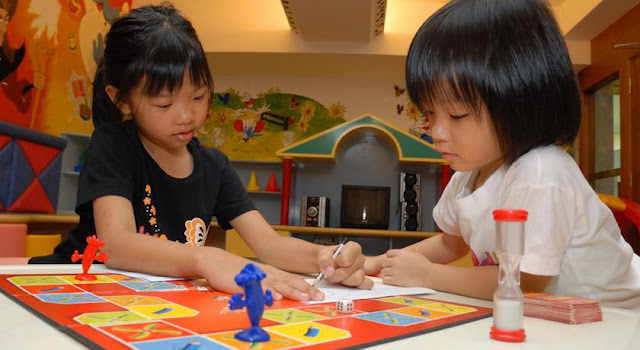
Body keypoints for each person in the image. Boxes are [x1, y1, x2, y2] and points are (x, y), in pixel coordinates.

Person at [29, 4, 373, 300]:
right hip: (77, 285)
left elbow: (271, 246)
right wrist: (206, 258)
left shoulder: (214, 166)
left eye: (198, 97)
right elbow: (116, 244)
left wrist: (328, 257)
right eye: (164, 103)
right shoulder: (113, 144)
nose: (186, 115)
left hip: (150, 300)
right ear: (122, 100)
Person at [365, 0, 640, 310]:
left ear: (521, 102)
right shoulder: (468, 175)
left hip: (618, 319)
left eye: (457, 115)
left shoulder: (540, 172)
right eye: (429, 112)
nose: (437, 131)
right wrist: (377, 263)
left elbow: (526, 280)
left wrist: (428, 275)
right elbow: (451, 241)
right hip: (555, 317)